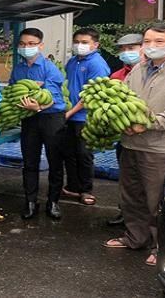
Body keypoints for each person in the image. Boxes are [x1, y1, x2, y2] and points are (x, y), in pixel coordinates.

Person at [105, 23, 165, 267]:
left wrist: (149, 123)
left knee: (156, 201)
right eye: (147, 41)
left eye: (158, 41)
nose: (151, 46)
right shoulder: (138, 68)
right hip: (130, 143)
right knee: (131, 196)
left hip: (159, 147)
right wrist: (119, 120)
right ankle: (135, 237)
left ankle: (162, 247)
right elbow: (124, 99)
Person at [10, 28, 67, 220]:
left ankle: (53, 202)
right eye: (23, 44)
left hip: (52, 118)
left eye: (32, 44)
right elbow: (12, 91)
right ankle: (30, 201)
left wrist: (40, 106)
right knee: (30, 162)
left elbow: (53, 96)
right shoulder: (18, 69)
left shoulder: (50, 68)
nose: (27, 47)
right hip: (29, 119)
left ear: (40, 45)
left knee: (55, 161)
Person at [63, 28, 111, 206]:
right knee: (70, 153)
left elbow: (92, 94)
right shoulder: (73, 61)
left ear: (96, 45)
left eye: (84, 42)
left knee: (84, 154)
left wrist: (69, 113)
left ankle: (86, 190)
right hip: (70, 116)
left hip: (85, 117)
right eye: (77, 42)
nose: (79, 45)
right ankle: (73, 186)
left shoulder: (96, 64)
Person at [107, 33, 144, 226]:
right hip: (125, 137)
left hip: (150, 138)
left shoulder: (150, 73)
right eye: (123, 49)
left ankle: (148, 223)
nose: (126, 53)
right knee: (126, 179)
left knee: (148, 183)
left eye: (132, 48)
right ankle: (125, 214)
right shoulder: (117, 77)